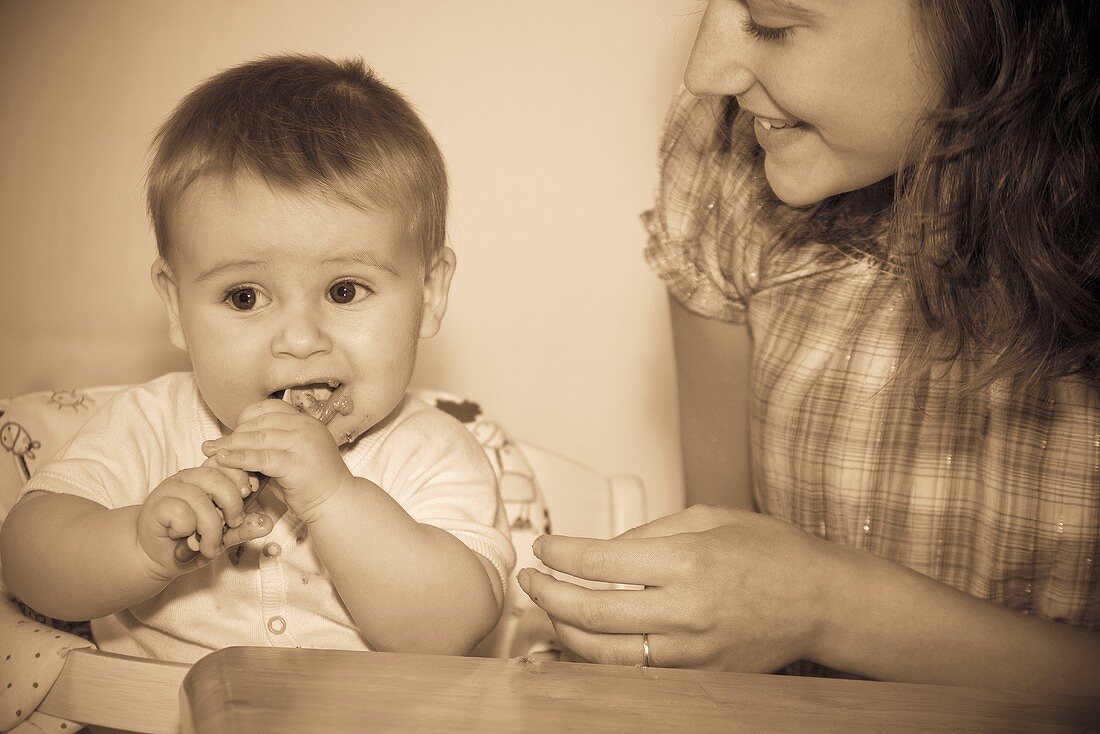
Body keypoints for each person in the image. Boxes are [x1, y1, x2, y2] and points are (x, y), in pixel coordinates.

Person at [517, 0, 1100, 695]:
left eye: (772, 22)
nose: (705, 72)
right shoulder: (731, 148)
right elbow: (722, 574)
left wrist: (828, 608)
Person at [0, 54, 515, 663]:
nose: (299, 340)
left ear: (428, 295)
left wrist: (333, 497)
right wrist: (137, 546)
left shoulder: (435, 451)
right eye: (244, 297)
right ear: (177, 306)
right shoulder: (147, 422)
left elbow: (448, 631)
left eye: (344, 290)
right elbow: (29, 561)